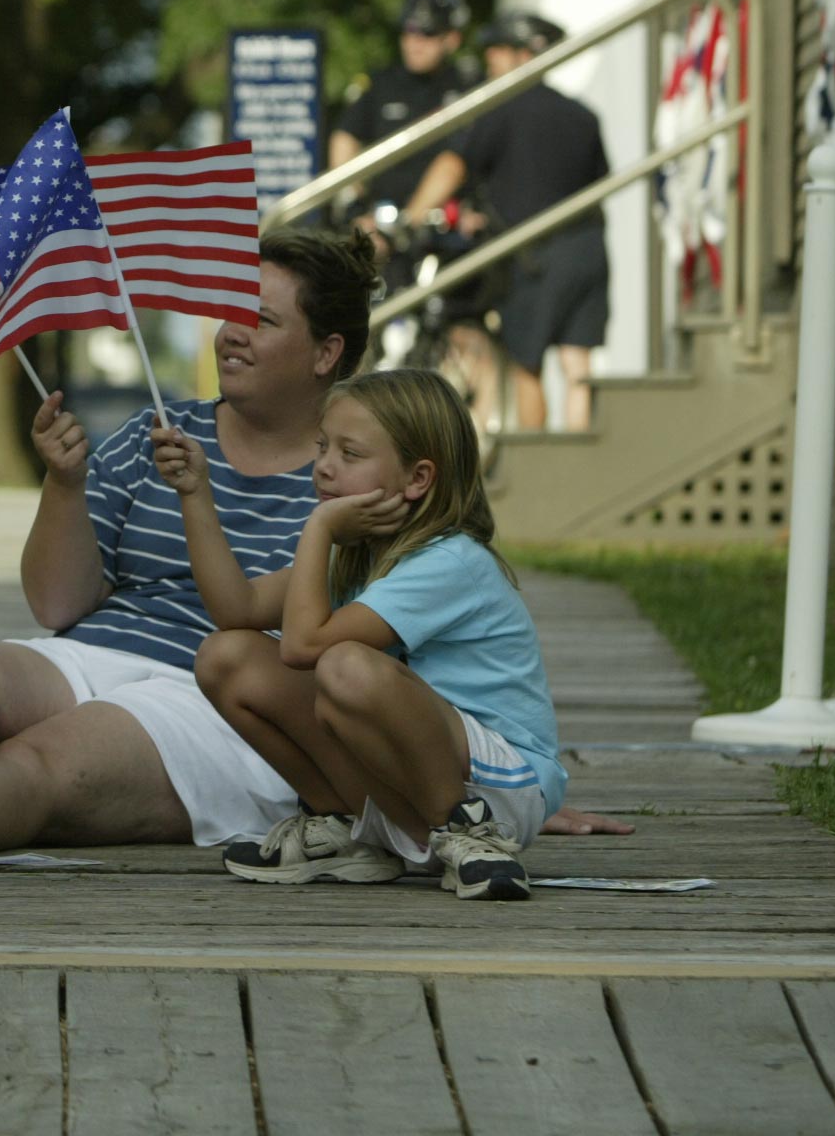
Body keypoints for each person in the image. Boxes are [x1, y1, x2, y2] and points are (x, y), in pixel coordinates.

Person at [0, 229, 626, 851]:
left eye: (262, 320)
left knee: (39, 763)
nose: (231, 332)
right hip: (107, 646)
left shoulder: (368, 480)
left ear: (328, 352)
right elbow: (58, 604)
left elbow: (406, 672)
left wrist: (487, 788)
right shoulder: (160, 434)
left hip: (231, 704)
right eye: (227, 311)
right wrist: (66, 486)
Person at [186, 368, 564, 901]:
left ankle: (469, 834)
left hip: (502, 787)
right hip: (406, 770)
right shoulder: (357, 560)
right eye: (322, 448)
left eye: (350, 454)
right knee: (225, 657)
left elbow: (302, 648)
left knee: (344, 664)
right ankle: (344, 826)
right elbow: (236, 608)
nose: (323, 467)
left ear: (417, 479)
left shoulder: (449, 562)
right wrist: (194, 493)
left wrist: (317, 529)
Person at [403, 10, 610, 431]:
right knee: (578, 366)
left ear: (523, 54)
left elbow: (452, 166)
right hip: (588, 247)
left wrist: (412, 216)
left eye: (497, 51)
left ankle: (536, 469)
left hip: (533, 255)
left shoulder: (497, 108)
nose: (490, 61)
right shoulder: (582, 116)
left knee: (525, 366)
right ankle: (580, 461)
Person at [325, 0, 474, 217]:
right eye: (409, 31)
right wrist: (354, 203)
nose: (415, 43)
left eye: (428, 33)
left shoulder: (469, 86)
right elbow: (344, 137)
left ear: (452, 38)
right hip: (380, 220)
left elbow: (459, 162)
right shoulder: (380, 84)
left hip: (445, 224)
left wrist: (408, 224)